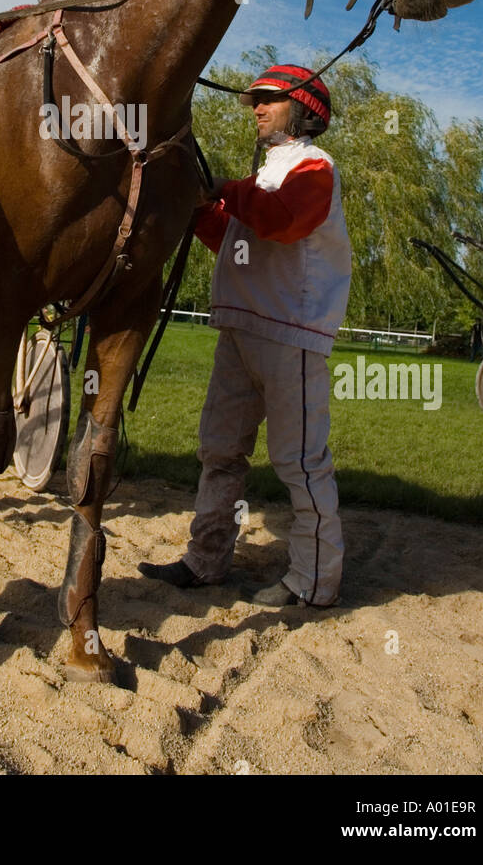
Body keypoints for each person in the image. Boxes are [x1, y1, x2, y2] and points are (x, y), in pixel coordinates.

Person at [139, 64, 351, 608]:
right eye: (256, 99)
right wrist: (201, 210)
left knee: (300, 462)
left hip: (291, 337)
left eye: (269, 100)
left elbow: (283, 223)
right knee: (220, 451)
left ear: (304, 111)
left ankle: (313, 582)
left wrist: (224, 192)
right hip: (240, 328)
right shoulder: (262, 177)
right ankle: (204, 560)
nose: (255, 106)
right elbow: (241, 244)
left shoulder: (314, 167)